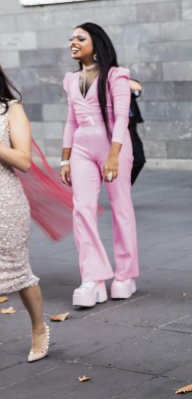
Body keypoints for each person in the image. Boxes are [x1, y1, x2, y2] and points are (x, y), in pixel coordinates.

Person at [60, 23, 139, 308]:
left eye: (80, 38)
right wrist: (65, 158)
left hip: (113, 145)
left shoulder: (116, 76)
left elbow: (122, 117)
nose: (73, 42)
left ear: (97, 43)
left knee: (121, 207)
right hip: (81, 147)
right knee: (82, 209)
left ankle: (125, 275)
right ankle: (92, 278)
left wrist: (114, 154)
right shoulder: (71, 79)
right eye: (71, 38)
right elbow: (71, 120)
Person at [0, 66, 50, 362]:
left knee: (17, 271)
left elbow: (24, 161)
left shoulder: (10, 109)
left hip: (5, 203)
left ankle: (38, 327)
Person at [128, 79, 146, 185]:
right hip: (114, 126)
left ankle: (123, 187)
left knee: (139, 159)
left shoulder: (121, 79)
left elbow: (137, 87)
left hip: (131, 126)